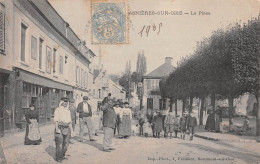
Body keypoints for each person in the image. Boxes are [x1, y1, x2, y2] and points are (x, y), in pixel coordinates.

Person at [54, 97, 75, 162]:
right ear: (61, 103)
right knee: (59, 144)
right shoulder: (58, 110)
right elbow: (56, 120)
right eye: (64, 102)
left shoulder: (68, 110)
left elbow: (70, 122)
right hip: (60, 127)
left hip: (67, 128)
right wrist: (57, 128)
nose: (65, 103)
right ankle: (58, 158)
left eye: (66, 102)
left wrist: (72, 131)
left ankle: (62, 155)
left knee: (66, 144)